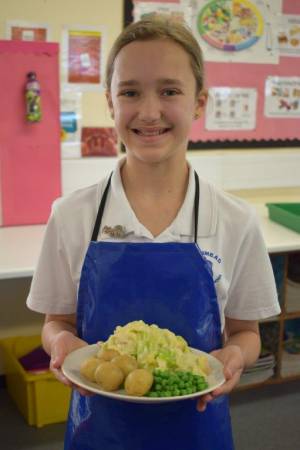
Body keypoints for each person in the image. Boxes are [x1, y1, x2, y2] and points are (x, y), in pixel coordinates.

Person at [27, 17, 280, 450]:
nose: (148, 112)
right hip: (98, 429)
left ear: (199, 103)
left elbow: (245, 332)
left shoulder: (236, 221)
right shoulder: (71, 216)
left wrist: (235, 356)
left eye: (169, 91)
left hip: (198, 429)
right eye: (129, 92)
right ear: (110, 102)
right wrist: (62, 343)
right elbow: (56, 321)